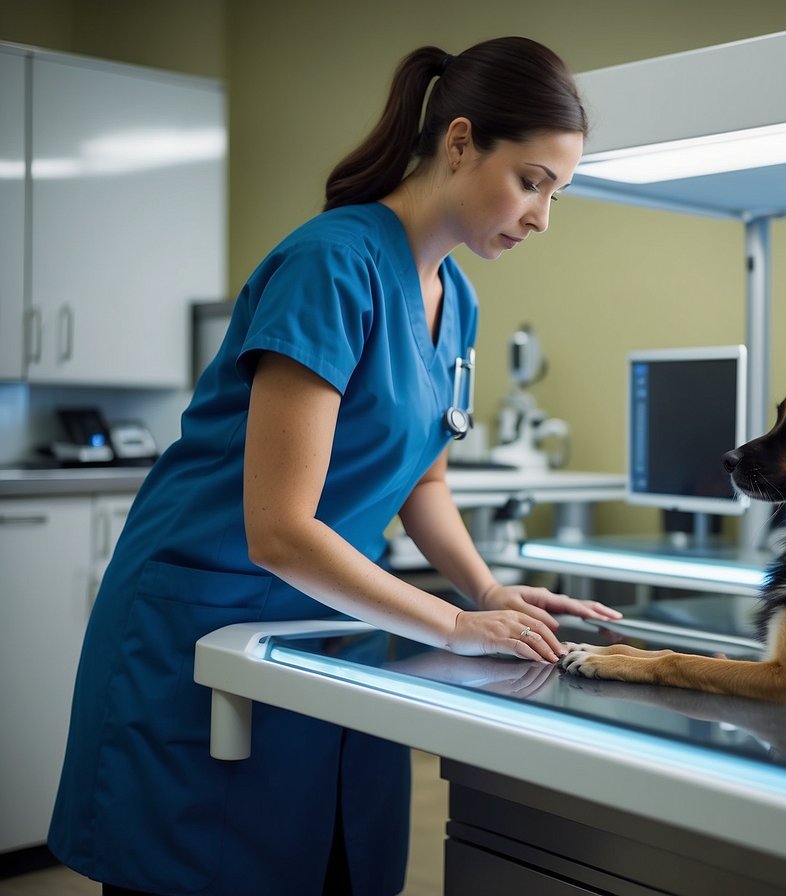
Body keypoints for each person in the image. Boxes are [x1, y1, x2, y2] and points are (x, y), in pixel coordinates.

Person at [48, 36, 621, 896]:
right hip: (207, 621)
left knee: (331, 864)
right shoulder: (333, 264)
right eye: (533, 181)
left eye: (558, 192)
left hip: (330, 625)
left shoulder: (454, 296)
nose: (543, 215)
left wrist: (486, 591)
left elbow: (422, 475)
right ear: (459, 142)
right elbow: (278, 531)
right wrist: (453, 627)